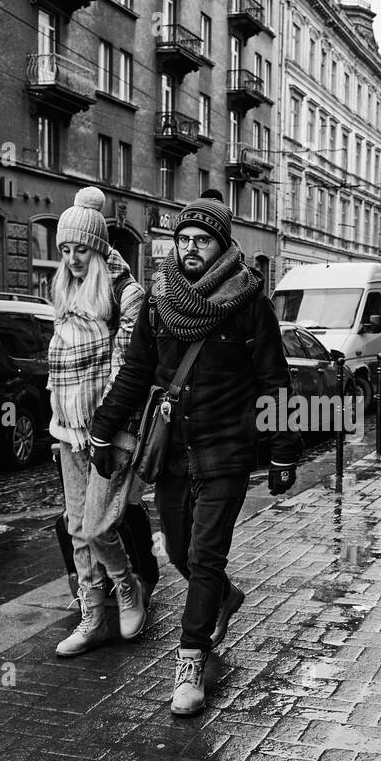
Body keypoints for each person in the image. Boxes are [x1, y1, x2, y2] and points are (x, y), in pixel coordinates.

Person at [88, 191, 301, 716]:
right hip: (173, 452)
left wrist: (282, 451)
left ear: (222, 245)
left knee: (205, 557)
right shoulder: (161, 303)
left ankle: (191, 660)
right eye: (182, 239)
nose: (189, 248)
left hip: (227, 450)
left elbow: (275, 381)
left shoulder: (249, 304)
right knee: (180, 551)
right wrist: (103, 427)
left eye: (200, 240)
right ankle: (224, 598)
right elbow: (137, 372)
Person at [48, 186, 148, 656]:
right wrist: (60, 425)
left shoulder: (126, 295)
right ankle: (91, 615)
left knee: (96, 527)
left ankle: (127, 585)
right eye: (65, 250)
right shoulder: (65, 294)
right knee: (75, 526)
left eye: (81, 249)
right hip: (68, 431)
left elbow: (125, 371)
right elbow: (60, 367)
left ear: (99, 247)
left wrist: (101, 433)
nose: (72, 259)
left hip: (110, 433)